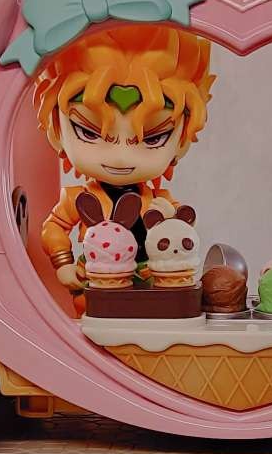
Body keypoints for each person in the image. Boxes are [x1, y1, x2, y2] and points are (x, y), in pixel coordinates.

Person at [32, 25, 215, 304]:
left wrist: (170, 218)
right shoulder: (78, 199)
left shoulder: (158, 198)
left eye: (153, 138)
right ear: (56, 128)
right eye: (89, 132)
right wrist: (63, 262)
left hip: (152, 281)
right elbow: (53, 227)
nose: (120, 156)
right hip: (96, 282)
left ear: (182, 139)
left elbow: (184, 223)